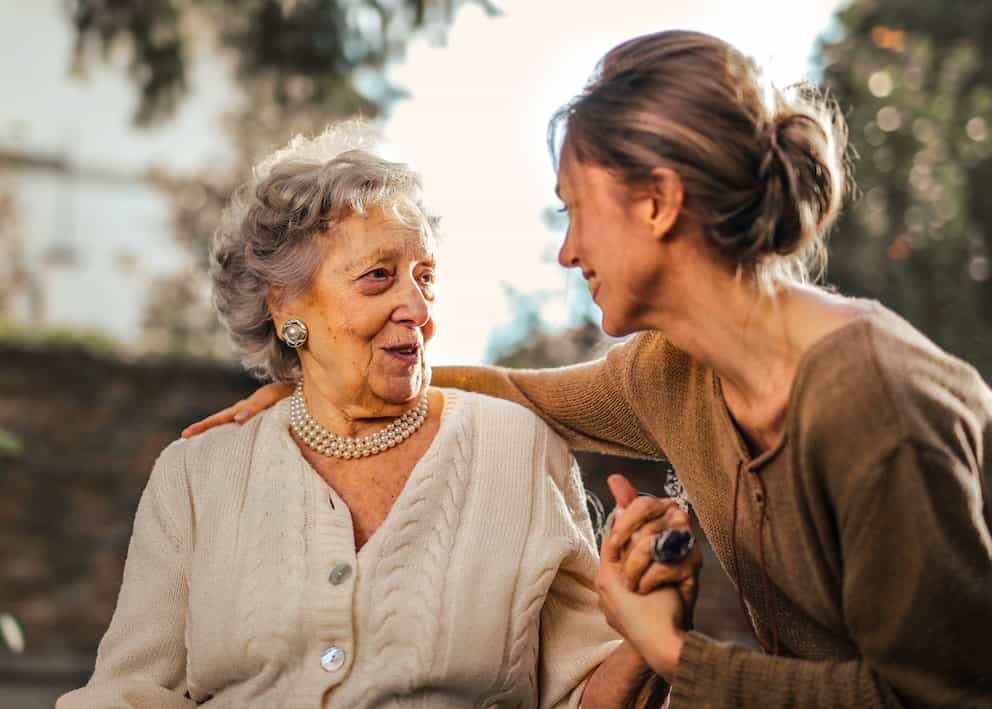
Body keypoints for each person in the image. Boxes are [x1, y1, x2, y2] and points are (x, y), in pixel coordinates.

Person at [183, 31, 992, 707]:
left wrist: (674, 653)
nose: (567, 250)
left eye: (575, 208)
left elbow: (940, 695)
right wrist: (317, 381)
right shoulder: (672, 372)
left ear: (657, 202)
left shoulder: (873, 402)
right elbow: (516, 391)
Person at [58, 123, 700, 708]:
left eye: (425, 277)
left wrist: (648, 636)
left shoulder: (519, 450)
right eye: (378, 277)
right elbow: (129, 693)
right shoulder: (198, 475)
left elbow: (582, 697)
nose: (417, 308)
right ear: (287, 310)